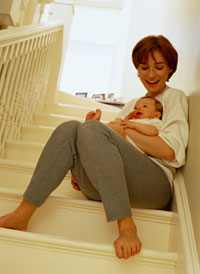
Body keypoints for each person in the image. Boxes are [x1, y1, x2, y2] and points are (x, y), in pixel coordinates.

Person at [0, 35, 189, 260]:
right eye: (143, 67)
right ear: (137, 69)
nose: (150, 74)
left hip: (153, 185)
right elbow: (108, 140)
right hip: (112, 183)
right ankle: (22, 215)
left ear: (170, 68)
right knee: (70, 127)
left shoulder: (174, 97)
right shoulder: (132, 105)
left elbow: (171, 152)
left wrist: (125, 130)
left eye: (158, 67)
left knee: (92, 130)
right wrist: (85, 153)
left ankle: (127, 226)